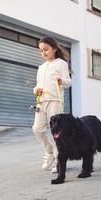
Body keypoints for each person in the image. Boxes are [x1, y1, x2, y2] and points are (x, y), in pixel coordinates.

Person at [32, 36, 72, 173]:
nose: (43, 53)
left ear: (54, 49)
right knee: (37, 129)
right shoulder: (41, 67)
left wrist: (61, 80)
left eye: (46, 49)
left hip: (55, 101)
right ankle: (49, 152)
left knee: (56, 132)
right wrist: (36, 90)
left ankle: (58, 160)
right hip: (41, 101)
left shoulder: (61, 63)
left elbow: (69, 82)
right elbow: (38, 84)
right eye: (41, 51)